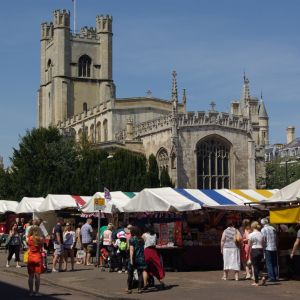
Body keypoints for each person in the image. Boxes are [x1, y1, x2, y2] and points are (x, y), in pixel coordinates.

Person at [126, 226, 147, 294]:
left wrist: (131, 259)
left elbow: (131, 250)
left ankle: (129, 289)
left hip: (134, 258)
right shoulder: (141, 239)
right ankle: (139, 289)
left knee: (130, 274)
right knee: (140, 274)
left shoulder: (132, 239)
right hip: (141, 257)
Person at [27, 225, 44, 296]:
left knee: (31, 276)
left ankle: (31, 292)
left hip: (30, 257)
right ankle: (37, 292)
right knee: (37, 276)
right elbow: (42, 247)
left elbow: (28, 245)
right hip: (38, 257)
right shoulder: (39, 239)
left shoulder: (28, 239)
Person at [248, 221, 266, 286]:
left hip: (254, 250)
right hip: (261, 250)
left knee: (255, 266)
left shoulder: (251, 234)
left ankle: (256, 282)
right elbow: (263, 243)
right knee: (260, 266)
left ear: (252, 227)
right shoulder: (261, 234)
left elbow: (249, 244)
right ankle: (263, 277)